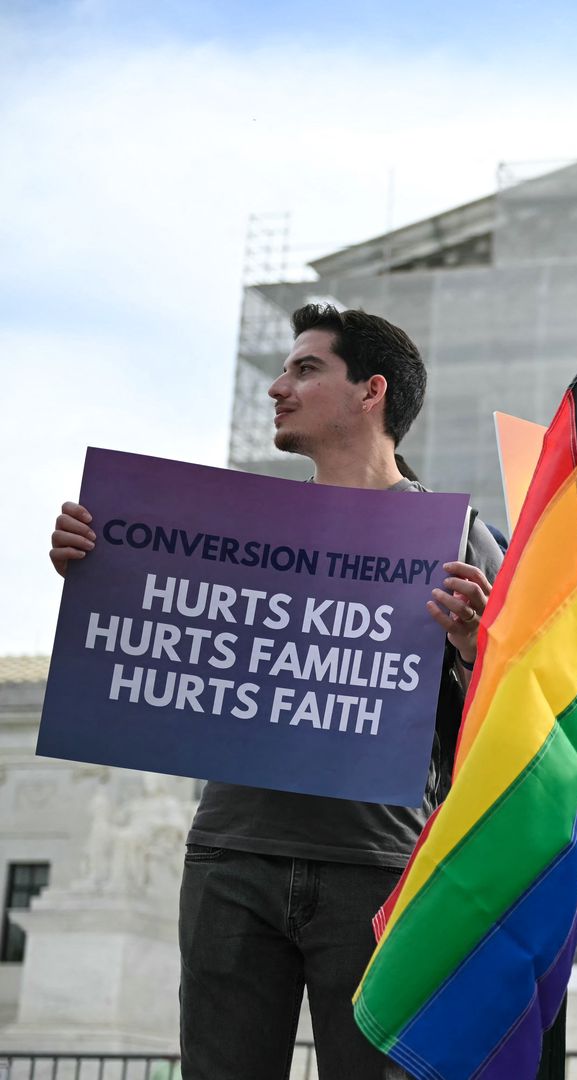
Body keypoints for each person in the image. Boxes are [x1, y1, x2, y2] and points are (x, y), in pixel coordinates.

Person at [48, 304, 516, 1079]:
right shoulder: (239, 529)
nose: (276, 387)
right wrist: (101, 572)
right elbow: (169, 634)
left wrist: (472, 649)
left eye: (305, 369)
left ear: (371, 392)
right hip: (232, 859)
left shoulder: (460, 542)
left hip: (381, 869)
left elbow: (510, 733)